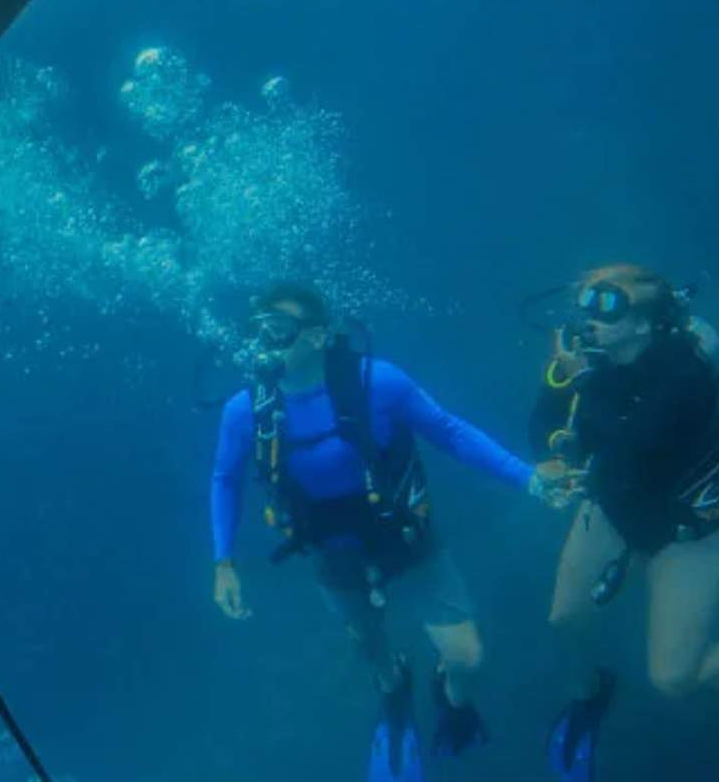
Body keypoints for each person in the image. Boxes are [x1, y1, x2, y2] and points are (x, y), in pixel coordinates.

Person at [210, 281, 551, 781]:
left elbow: (450, 432)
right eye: (257, 328)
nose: (265, 338)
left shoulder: (380, 383)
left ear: (321, 336)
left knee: (467, 657)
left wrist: (530, 479)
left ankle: (449, 695)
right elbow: (225, 478)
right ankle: (393, 689)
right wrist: (223, 562)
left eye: (279, 326)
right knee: (371, 649)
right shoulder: (245, 410)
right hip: (331, 549)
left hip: (406, 538)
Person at [532, 264, 719, 780]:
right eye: (584, 306)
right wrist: (555, 446)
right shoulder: (593, 362)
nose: (588, 322)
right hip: (617, 504)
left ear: (645, 325)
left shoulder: (684, 376)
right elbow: (544, 428)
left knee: (673, 680)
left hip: (687, 524)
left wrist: (581, 377)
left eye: (607, 310)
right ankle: (589, 695)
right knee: (564, 618)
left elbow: (629, 445)